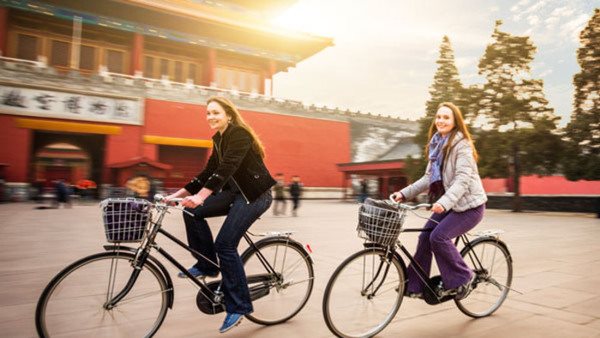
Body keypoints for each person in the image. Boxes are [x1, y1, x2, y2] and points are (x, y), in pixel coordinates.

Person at [165, 96, 275, 333]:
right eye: (208, 113)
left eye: (215, 112)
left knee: (225, 244)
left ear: (229, 115)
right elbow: (208, 172)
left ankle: (239, 306)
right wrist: (176, 195)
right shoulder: (219, 139)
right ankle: (207, 266)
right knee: (191, 211)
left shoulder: (239, 134)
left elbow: (228, 168)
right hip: (235, 194)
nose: (211, 117)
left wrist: (201, 196)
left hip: (255, 195)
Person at [392, 102, 487, 300]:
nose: (441, 121)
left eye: (446, 117)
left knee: (438, 237)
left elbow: (462, 180)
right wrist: (403, 193)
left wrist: (443, 202)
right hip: (450, 204)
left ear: (455, 122)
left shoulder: (463, 146)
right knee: (424, 237)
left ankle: (463, 277)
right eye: (438, 117)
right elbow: (428, 178)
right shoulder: (436, 144)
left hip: (469, 207)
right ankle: (416, 286)